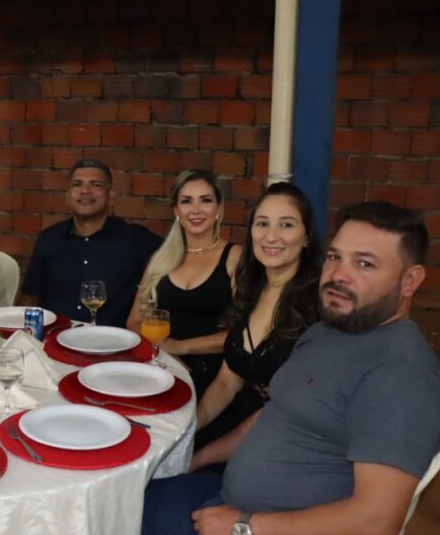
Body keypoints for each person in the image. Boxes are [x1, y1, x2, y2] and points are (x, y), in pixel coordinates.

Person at [98, 201, 440, 535]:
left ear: (410, 280)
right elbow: (272, 415)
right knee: (101, 512)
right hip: (228, 502)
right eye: (335, 257)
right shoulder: (328, 332)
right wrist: (198, 458)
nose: (339, 275)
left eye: (365, 264)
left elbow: (376, 520)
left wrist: (245, 528)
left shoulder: (400, 377)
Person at [194, 183, 321, 453]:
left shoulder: (318, 306)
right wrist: (191, 427)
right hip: (233, 423)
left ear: (307, 236)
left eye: (286, 225)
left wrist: (202, 456)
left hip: (279, 444)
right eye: (262, 223)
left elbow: (284, 411)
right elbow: (228, 381)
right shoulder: (251, 288)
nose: (271, 236)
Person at [127, 169, 241, 397]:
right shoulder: (161, 258)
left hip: (217, 379)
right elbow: (134, 322)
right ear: (176, 210)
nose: (196, 210)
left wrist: (180, 347)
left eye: (205, 200)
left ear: (219, 208)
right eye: (186, 201)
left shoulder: (235, 256)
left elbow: (245, 334)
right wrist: (165, 353)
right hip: (161, 370)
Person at [19, 159, 160, 325]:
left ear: (110, 197)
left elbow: (176, 253)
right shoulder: (49, 239)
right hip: (55, 336)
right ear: (67, 197)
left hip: (112, 339)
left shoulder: (134, 239)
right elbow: (30, 297)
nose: (85, 190)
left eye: (96, 184)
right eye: (77, 184)